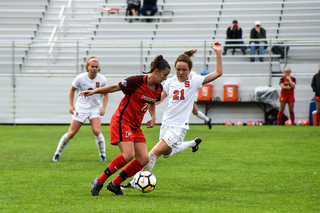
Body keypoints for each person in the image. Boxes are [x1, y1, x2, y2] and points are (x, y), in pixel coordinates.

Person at [121, 42, 222, 190]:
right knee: (167, 153)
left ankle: (132, 183)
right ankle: (193, 143)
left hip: (178, 128)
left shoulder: (194, 81)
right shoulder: (170, 82)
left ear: (190, 70)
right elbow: (157, 99)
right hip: (166, 125)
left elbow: (218, 73)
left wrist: (218, 53)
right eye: (178, 70)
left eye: (184, 70)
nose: (181, 73)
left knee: (153, 154)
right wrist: (150, 111)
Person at [79, 55, 171, 196]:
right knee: (128, 155)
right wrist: (94, 91)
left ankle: (114, 184)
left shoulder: (158, 89)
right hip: (122, 121)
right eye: (165, 75)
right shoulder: (137, 81)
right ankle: (99, 181)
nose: (165, 78)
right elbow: (115, 87)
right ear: (157, 71)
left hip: (135, 126)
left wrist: (153, 116)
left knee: (143, 159)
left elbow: (152, 101)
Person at [52, 57, 109, 162]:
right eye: (92, 66)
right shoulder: (80, 78)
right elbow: (72, 90)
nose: (94, 69)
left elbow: (106, 94)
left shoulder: (102, 79)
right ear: (87, 67)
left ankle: (103, 155)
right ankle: (57, 153)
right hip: (81, 108)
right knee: (71, 133)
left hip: (95, 108)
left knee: (97, 131)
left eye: (96, 67)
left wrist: (103, 107)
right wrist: (71, 105)